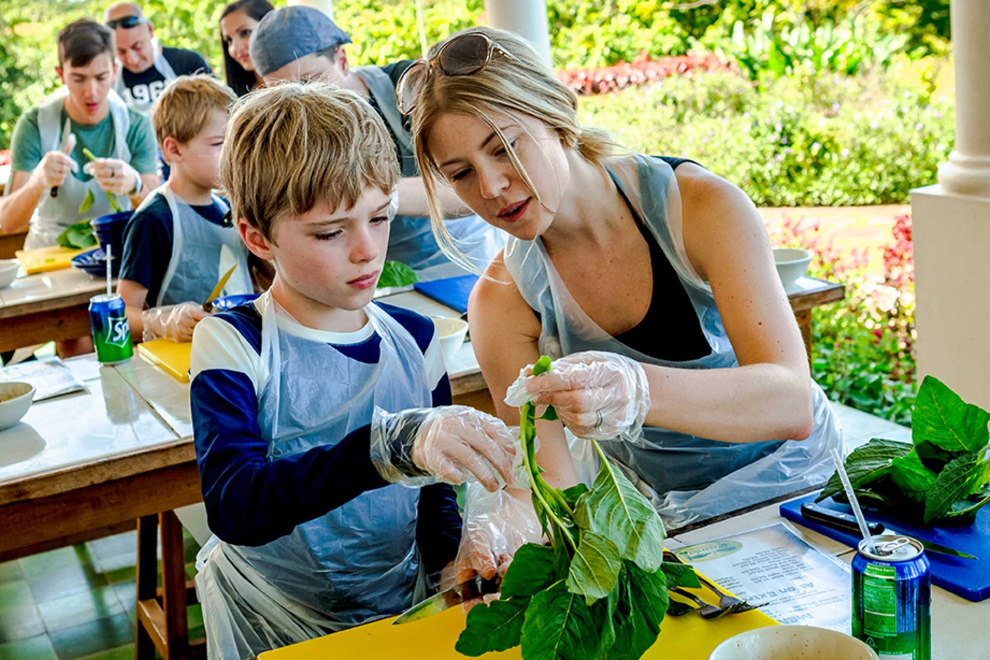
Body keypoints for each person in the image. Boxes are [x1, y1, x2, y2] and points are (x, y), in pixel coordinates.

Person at [405, 27, 843, 532]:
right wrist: (502, 530)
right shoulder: (503, 301)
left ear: (556, 111)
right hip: (661, 523)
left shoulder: (699, 209)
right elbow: (550, 486)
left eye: (504, 146)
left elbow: (790, 402)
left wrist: (638, 388)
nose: (491, 186)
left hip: (795, 494)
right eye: (460, 173)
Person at [189, 81, 524, 659]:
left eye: (380, 217)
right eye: (330, 232)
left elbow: (433, 499)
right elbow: (235, 504)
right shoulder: (234, 341)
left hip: (399, 609)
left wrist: (454, 565)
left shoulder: (416, 339)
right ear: (257, 237)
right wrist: (383, 449)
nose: (367, 249)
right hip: (271, 617)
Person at [248, 5, 503, 281]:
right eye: (284, 92)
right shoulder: (289, 133)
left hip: (468, 262)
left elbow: (473, 188)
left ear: (342, 59)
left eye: (310, 82)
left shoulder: (414, 88)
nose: (302, 102)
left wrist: (381, 194)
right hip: (379, 276)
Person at [0, 19, 158, 249]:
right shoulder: (34, 125)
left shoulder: (136, 126)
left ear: (114, 71)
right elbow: (8, 223)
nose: (91, 92)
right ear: (61, 74)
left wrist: (135, 185)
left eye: (101, 77)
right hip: (48, 252)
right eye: (78, 79)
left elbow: (158, 216)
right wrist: (37, 182)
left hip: (116, 249)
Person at [118, 75, 251, 344]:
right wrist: (162, 322)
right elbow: (121, 315)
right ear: (174, 150)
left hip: (240, 348)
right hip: (182, 358)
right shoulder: (154, 219)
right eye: (219, 144)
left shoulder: (231, 207)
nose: (233, 154)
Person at [104, 2, 212, 114]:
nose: (132, 59)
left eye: (137, 47)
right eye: (121, 52)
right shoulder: (108, 80)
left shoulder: (187, 63)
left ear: (150, 30)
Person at [219, 0, 274, 97]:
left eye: (245, 33)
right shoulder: (230, 98)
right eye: (229, 40)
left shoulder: (301, 86)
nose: (235, 48)